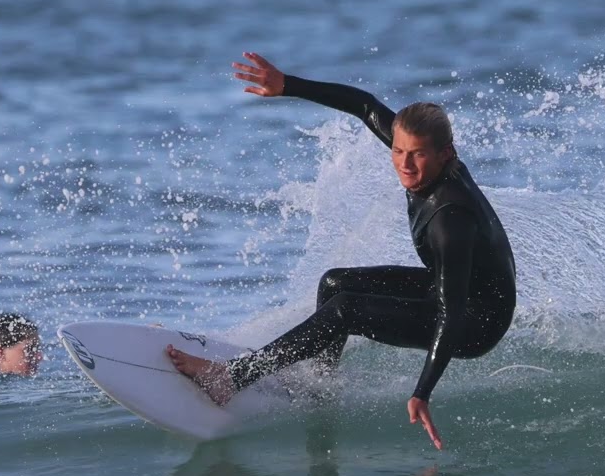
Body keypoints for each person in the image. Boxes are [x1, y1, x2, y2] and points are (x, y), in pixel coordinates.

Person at [166, 52, 517, 450]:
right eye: (398, 151)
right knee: (335, 283)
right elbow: (364, 105)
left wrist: (422, 392)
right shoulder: (418, 153)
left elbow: (451, 314)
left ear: (445, 154)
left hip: (476, 321)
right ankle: (320, 384)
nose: (405, 164)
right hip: (450, 289)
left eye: (417, 154)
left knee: (346, 308)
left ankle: (231, 378)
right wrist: (287, 85)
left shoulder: (449, 219)